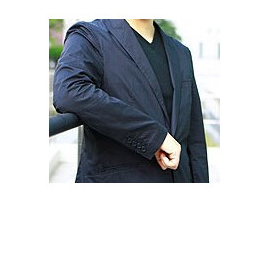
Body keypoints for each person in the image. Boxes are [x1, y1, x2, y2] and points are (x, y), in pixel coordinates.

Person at [53, 19, 209, 183]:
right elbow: (69, 91)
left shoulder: (181, 52)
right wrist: (154, 137)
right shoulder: (89, 35)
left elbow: (195, 138)